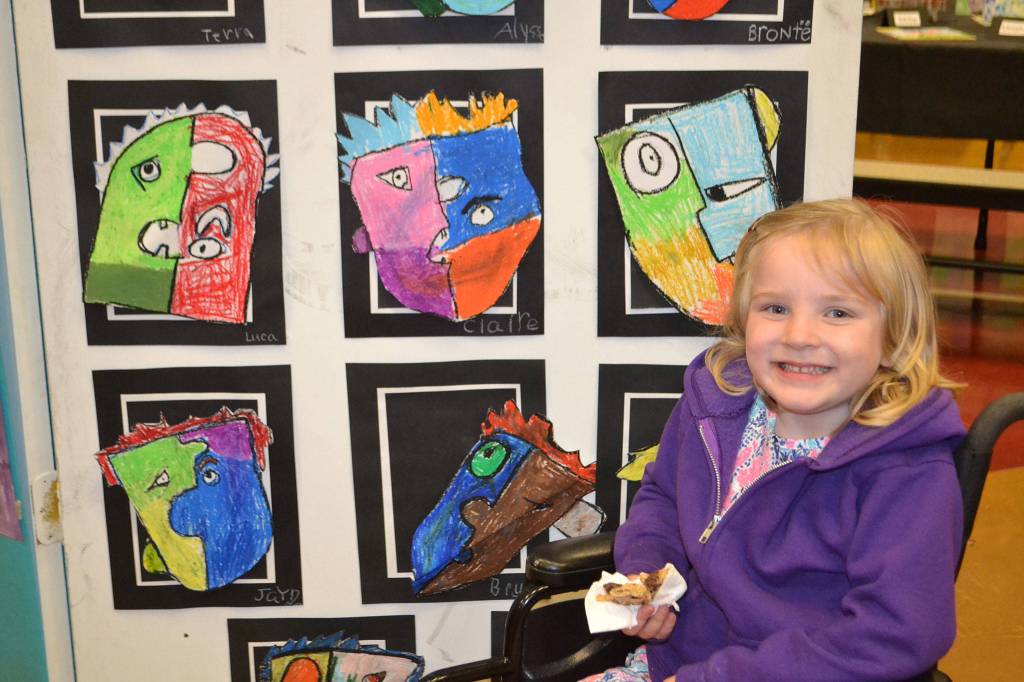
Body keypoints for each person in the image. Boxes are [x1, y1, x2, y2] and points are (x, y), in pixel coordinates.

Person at [586, 199, 965, 682]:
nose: (800, 334)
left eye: (837, 312)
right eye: (776, 307)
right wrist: (649, 577)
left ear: (893, 337)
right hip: (681, 660)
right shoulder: (716, 406)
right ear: (745, 320)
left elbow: (898, 633)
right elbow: (663, 498)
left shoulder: (904, 472)